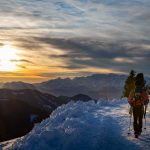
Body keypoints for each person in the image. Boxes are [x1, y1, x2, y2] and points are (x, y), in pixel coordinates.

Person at [128, 73, 149, 138]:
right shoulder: (143, 91)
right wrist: (145, 103)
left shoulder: (133, 91)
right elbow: (147, 99)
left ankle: (135, 132)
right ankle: (139, 130)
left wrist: (131, 103)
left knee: (135, 119)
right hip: (141, 107)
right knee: (140, 119)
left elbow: (129, 99)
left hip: (134, 106)